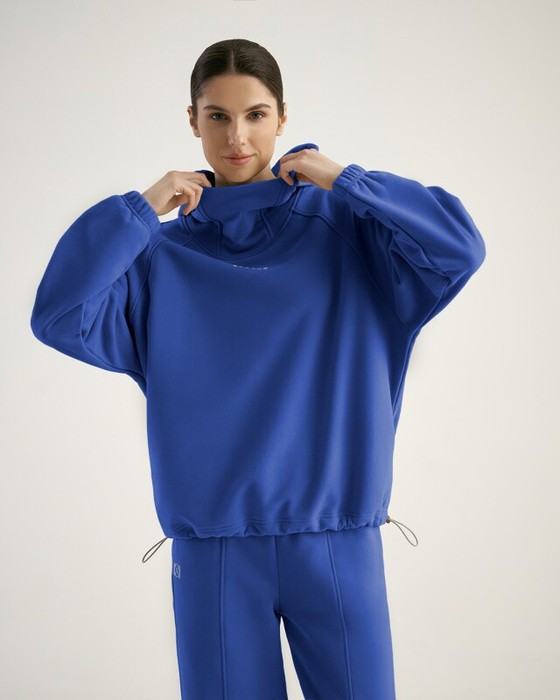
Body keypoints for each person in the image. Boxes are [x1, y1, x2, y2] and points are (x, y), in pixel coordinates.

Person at [30, 37, 486, 700]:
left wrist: (347, 180)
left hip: (335, 539)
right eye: (217, 116)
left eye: (255, 115)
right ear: (192, 120)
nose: (236, 136)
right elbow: (59, 314)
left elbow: (458, 249)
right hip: (214, 549)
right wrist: (140, 208)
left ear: (283, 117)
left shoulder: (350, 230)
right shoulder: (159, 257)